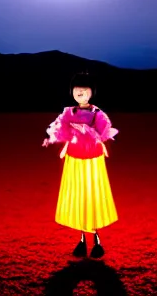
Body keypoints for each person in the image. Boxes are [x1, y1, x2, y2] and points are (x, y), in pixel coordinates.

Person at [41, 72, 118, 258]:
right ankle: (83, 238)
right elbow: (61, 131)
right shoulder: (69, 112)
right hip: (74, 158)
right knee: (78, 196)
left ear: (92, 92)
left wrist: (89, 131)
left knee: (92, 195)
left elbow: (104, 132)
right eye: (77, 89)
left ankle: (96, 238)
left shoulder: (97, 114)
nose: (80, 92)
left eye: (84, 89)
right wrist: (64, 139)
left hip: (92, 159)